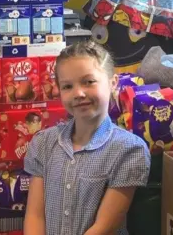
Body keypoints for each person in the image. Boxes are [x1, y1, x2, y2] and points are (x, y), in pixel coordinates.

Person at [23, 40, 151, 235]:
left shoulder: (129, 150)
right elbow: (35, 216)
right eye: (67, 86)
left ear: (112, 83)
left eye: (89, 82)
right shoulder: (43, 143)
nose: (79, 93)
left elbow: (104, 227)